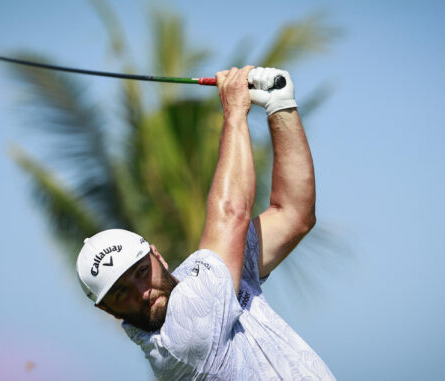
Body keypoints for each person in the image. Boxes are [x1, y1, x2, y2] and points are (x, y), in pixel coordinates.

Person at [76, 66, 336, 380]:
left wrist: (280, 107)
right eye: (121, 292)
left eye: (141, 272)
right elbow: (231, 214)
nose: (142, 292)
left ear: (156, 255)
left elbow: (293, 215)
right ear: (108, 310)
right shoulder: (179, 342)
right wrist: (235, 111)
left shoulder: (205, 277)